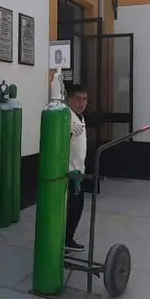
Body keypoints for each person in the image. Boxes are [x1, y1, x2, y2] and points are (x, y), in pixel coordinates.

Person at [65, 82, 88, 252]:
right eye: (78, 99)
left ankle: (68, 238)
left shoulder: (80, 117)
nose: (82, 103)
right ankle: (64, 240)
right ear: (69, 99)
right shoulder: (66, 117)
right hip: (69, 174)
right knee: (69, 210)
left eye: (85, 99)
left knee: (77, 209)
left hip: (79, 172)